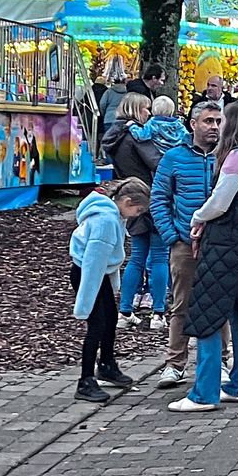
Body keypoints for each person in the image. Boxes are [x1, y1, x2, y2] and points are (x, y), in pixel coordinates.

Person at [169, 101, 238, 412]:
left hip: (228, 246)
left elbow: (220, 201)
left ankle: (204, 392)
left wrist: (197, 217)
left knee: (207, 316)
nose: (217, 126)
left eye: (221, 120)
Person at [151, 101, 230, 389]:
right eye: (208, 121)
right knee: (181, 303)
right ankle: (175, 363)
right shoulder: (174, 157)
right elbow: (159, 198)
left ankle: (220, 360)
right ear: (193, 124)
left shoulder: (227, 157)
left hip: (220, 243)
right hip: (184, 242)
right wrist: (172, 236)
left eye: (218, 121)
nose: (214, 127)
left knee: (219, 302)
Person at [69, 177, 150, 402]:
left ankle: (106, 364)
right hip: (88, 274)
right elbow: (94, 262)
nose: (138, 215)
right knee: (96, 325)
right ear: (126, 201)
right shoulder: (106, 221)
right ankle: (85, 381)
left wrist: (112, 285)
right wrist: (85, 304)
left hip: (98, 274)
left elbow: (107, 259)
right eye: (138, 209)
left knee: (111, 318)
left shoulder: (115, 216)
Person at [100, 93, 168, 330]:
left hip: (129, 198)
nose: (148, 114)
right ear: (135, 110)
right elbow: (158, 162)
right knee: (159, 256)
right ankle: (159, 313)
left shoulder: (113, 137)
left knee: (136, 257)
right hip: (151, 197)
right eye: (145, 109)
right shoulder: (138, 136)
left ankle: (125, 310)